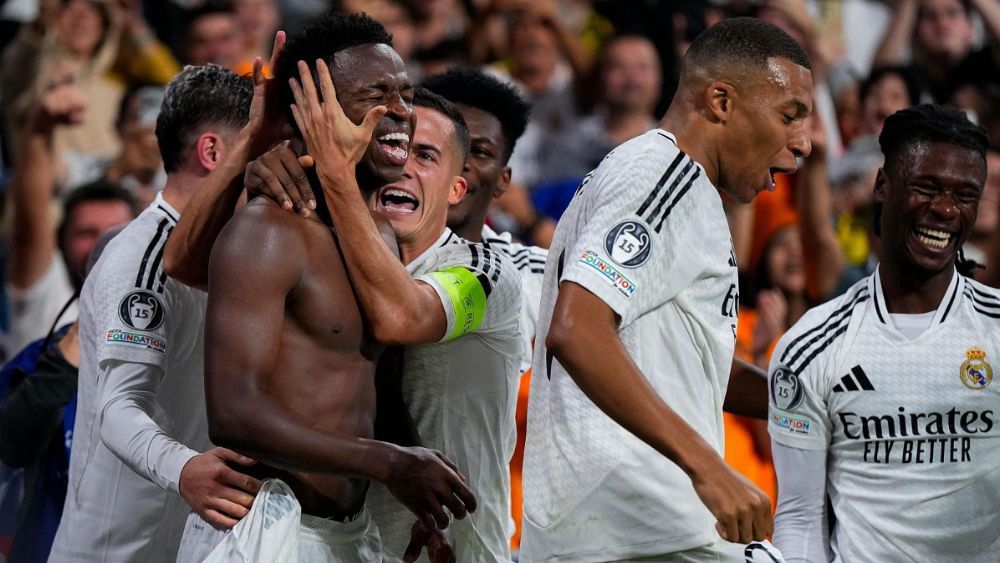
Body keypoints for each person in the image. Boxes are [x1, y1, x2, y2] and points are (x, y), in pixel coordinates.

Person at [169, 15, 475, 562]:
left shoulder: (376, 231)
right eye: (376, 94)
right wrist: (389, 462)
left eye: (405, 93)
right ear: (310, 110)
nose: (401, 111)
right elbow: (233, 413)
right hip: (264, 530)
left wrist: (415, 486)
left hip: (350, 532)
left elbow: (363, 377)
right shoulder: (267, 230)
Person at [520, 17, 812, 562]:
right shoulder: (663, 174)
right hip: (637, 529)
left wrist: (799, 400)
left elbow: (687, 364)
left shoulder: (677, 184)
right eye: (789, 116)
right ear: (721, 101)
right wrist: (708, 468)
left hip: (635, 529)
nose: (804, 143)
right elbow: (577, 329)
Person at [286, 72, 522, 560]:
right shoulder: (326, 254)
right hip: (346, 543)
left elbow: (400, 318)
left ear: (457, 189)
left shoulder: (485, 271)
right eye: (395, 150)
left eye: (426, 156)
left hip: (458, 547)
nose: (403, 166)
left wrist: (335, 179)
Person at [48, 64, 262, 562]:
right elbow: (118, 408)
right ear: (213, 153)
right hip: (112, 553)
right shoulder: (141, 260)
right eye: (257, 145)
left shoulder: (239, 253)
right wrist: (186, 468)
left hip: (182, 543)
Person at [769, 104, 1000, 562]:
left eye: (965, 195)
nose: (946, 210)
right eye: (926, 187)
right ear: (882, 185)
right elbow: (799, 516)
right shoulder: (810, 346)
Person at [5, 77, 136, 353]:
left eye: (116, 232)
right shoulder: (47, 295)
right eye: (86, 233)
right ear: (60, 241)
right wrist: (40, 127)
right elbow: (30, 219)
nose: (102, 244)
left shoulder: (158, 307)